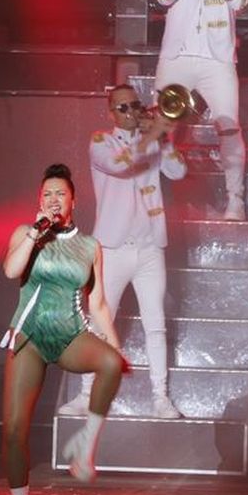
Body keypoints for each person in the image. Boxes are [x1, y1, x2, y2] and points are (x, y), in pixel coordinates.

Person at [0, 164, 126, 495]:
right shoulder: (26, 233)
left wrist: (115, 345)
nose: (54, 200)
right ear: (40, 201)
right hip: (30, 336)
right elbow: (10, 270)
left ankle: (85, 447)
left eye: (61, 194)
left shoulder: (90, 246)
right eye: (47, 195)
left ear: (73, 200)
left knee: (109, 363)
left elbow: (98, 302)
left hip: (70, 332)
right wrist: (35, 234)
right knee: (14, 430)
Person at [59, 85, 186, 420]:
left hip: (148, 248)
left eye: (135, 106)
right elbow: (120, 165)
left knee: (155, 324)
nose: (131, 112)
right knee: (99, 322)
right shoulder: (101, 140)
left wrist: (164, 138)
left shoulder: (154, 140)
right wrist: (151, 136)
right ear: (111, 113)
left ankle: (161, 398)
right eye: (123, 108)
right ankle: (85, 395)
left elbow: (178, 171)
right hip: (112, 249)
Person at [154, 0, 248, 220]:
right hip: (177, 55)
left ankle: (235, 199)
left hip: (216, 59)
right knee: (160, 122)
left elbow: (239, 1)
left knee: (228, 127)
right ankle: (161, 183)